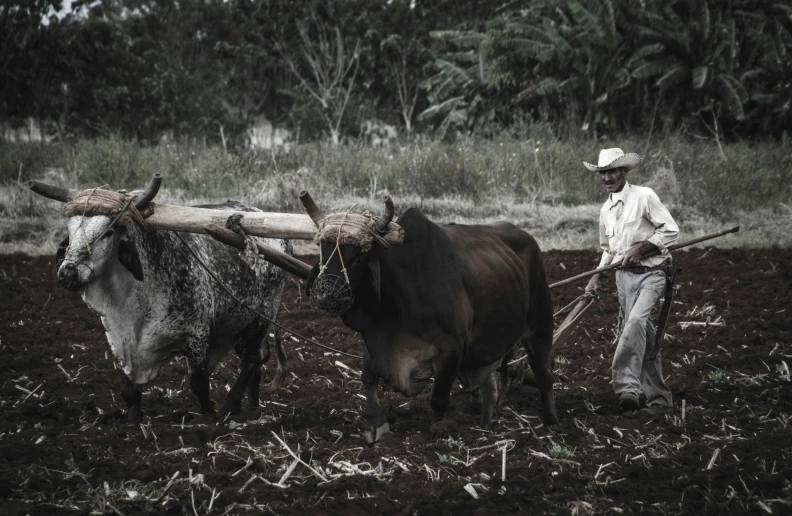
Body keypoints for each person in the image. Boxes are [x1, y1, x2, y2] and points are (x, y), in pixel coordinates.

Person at [583, 148, 679, 417]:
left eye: (612, 171)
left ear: (624, 172)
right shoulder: (605, 210)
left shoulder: (644, 197)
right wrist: (596, 276)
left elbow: (671, 230)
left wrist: (643, 248)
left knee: (635, 323)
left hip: (652, 273)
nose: (607, 177)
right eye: (603, 172)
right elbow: (609, 249)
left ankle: (627, 388)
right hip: (623, 279)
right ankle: (659, 400)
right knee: (644, 337)